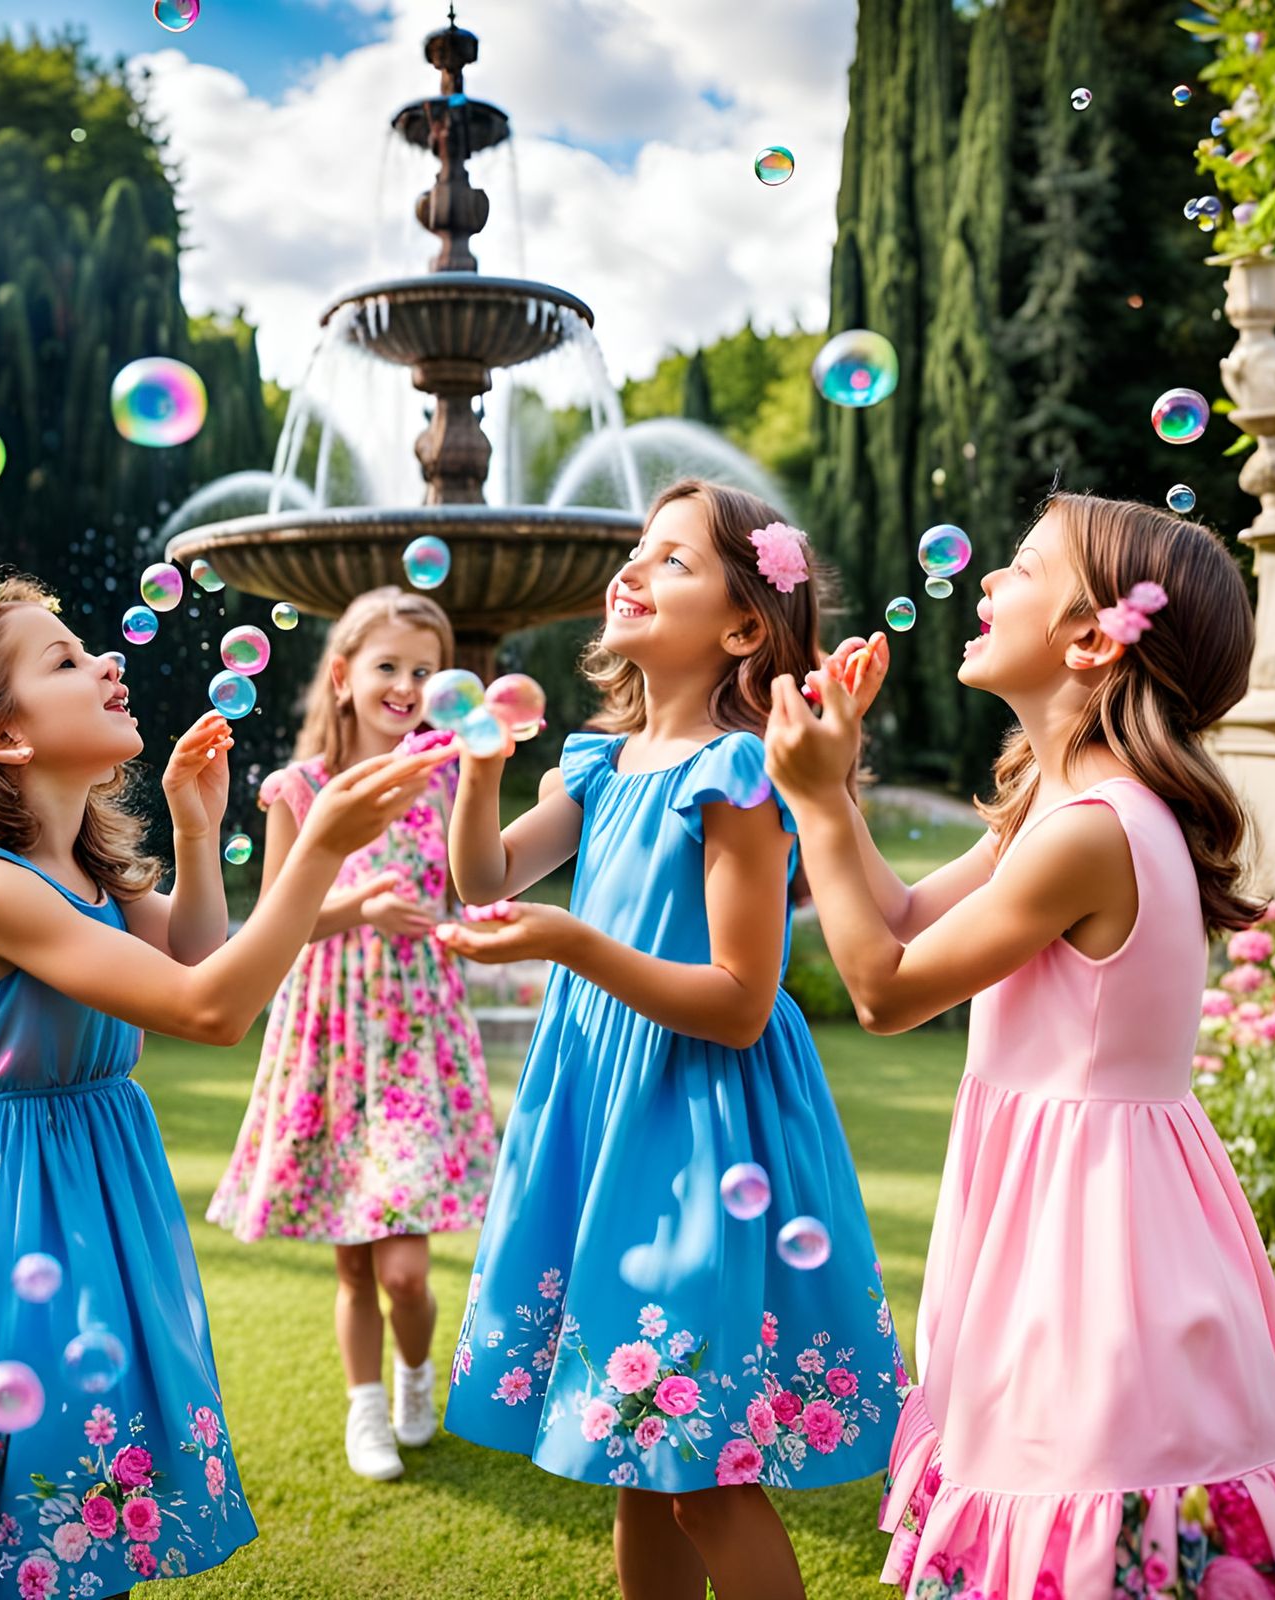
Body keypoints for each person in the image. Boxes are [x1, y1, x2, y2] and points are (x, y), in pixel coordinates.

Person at [0, 573, 452, 1600]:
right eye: (67, 661)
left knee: (64, 1523)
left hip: (87, 1210)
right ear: (2, 738)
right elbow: (212, 1010)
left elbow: (200, 955)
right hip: (5, 1226)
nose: (108, 662)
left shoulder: (88, 873)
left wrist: (190, 821)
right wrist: (320, 850)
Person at [762, 492, 1275, 1599]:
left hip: (1095, 1250)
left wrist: (819, 811)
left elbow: (882, 990)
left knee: (1093, 1488)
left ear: (1088, 639)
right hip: (1079, 1216)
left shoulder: (1089, 832)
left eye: (1018, 567)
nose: (982, 584)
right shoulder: (1060, 809)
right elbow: (895, 921)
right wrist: (833, 783)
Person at [436, 481, 908, 1600]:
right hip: (602, 1106)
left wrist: (567, 946)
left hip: (699, 1121)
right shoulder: (599, 766)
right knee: (631, 1448)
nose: (632, 571)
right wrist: (484, 766)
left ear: (744, 626)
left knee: (694, 1460)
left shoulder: (737, 775)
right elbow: (485, 876)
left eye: (671, 561)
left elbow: (742, 997)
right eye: (634, 553)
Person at [207, 587, 495, 1482]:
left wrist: (474, 919)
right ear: (341, 677)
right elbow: (278, 924)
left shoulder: (445, 775)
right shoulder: (298, 789)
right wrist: (362, 902)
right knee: (354, 1261)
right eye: (387, 666)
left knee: (406, 1267)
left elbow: (467, 887)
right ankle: (364, 1411)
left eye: (424, 669)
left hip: (415, 1029)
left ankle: (415, 1375)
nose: (406, 684)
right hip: (330, 1031)